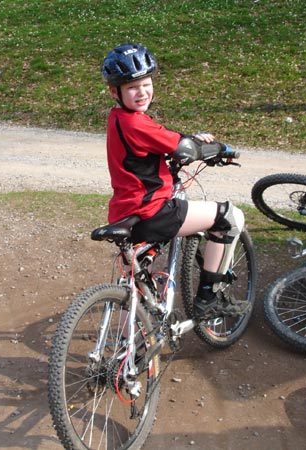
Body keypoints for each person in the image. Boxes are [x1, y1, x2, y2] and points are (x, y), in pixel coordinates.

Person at [101, 43, 247, 320]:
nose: (142, 92)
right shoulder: (136, 123)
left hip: (124, 211)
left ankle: (143, 322)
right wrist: (218, 148)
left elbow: (161, 139)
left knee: (140, 273)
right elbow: (183, 147)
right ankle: (209, 299)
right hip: (152, 210)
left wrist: (185, 140)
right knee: (230, 217)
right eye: (132, 87)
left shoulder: (118, 118)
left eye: (145, 83)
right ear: (115, 91)